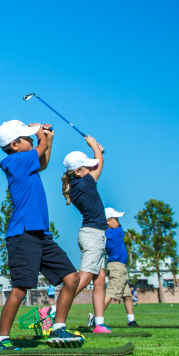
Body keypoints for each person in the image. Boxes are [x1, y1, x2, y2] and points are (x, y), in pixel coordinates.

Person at [0, 120, 83, 350]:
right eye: (27, 137)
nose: (31, 139)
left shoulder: (26, 162)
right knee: (20, 289)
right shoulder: (16, 161)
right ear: (14, 145)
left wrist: (48, 138)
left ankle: (58, 327)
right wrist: (42, 135)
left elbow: (43, 162)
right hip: (23, 235)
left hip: (41, 235)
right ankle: (1, 340)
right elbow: (40, 149)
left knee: (72, 278)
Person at [61, 136, 111, 333]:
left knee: (99, 278)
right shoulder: (86, 183)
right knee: (85, 277)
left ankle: (99, 323)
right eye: (87, 167)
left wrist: (96, 152)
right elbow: (100, 162)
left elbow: (97, 161)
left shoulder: (77, 183)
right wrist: (93, 145)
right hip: (93, 235)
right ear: (78, 171)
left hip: (92, 234)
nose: (91, 169)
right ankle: (54, 310)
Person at [103, 208, 138, 326]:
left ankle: (131, 320)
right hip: (117, 267)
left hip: (119, 267)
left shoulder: (106, 233)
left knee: (127, 294)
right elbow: (120, 228)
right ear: (108, 221)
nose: (118, 222)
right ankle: (96, 317)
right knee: (110, 293)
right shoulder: (116, 233)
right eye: (116, 219)